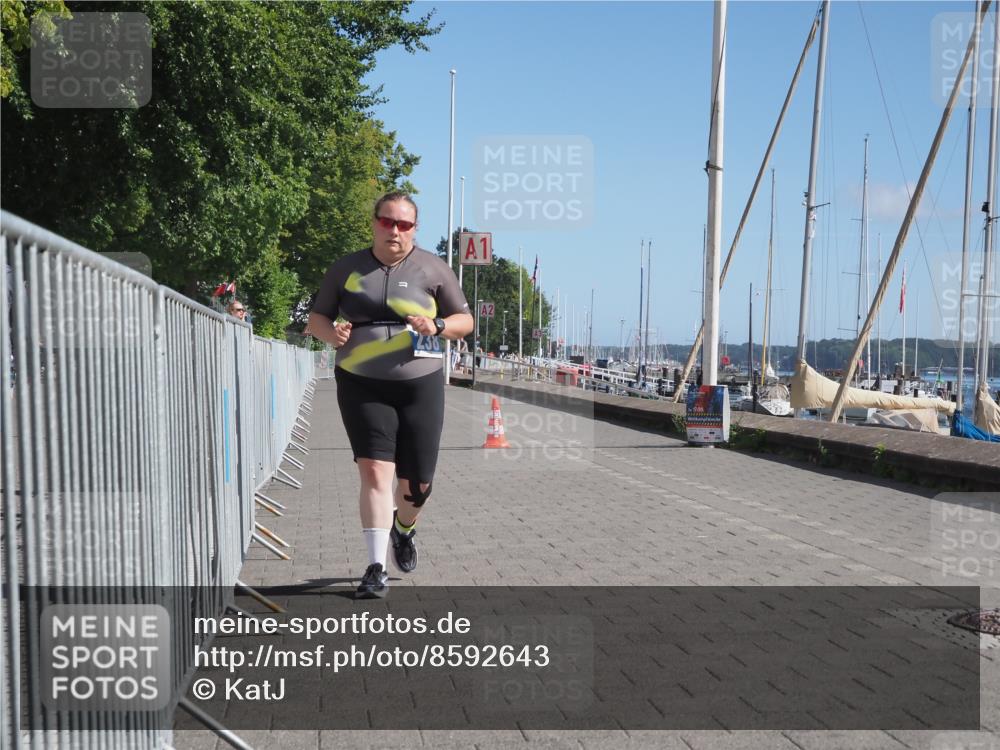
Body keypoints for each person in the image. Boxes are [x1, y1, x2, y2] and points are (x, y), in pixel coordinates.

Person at [306, 192, 473, 598]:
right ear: (374, 222)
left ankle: (404, 527)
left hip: (421, 383)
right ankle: (375, 567)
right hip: (361, 381)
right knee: (375, 472)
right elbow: (317, 318)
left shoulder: (433, 268)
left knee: (417, 485)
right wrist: (332, 334)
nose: (394, 231)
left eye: (404, 224)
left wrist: (437, 325)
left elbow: (464, 320)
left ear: (415, 228)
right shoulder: (346, 268)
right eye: (387, 222)